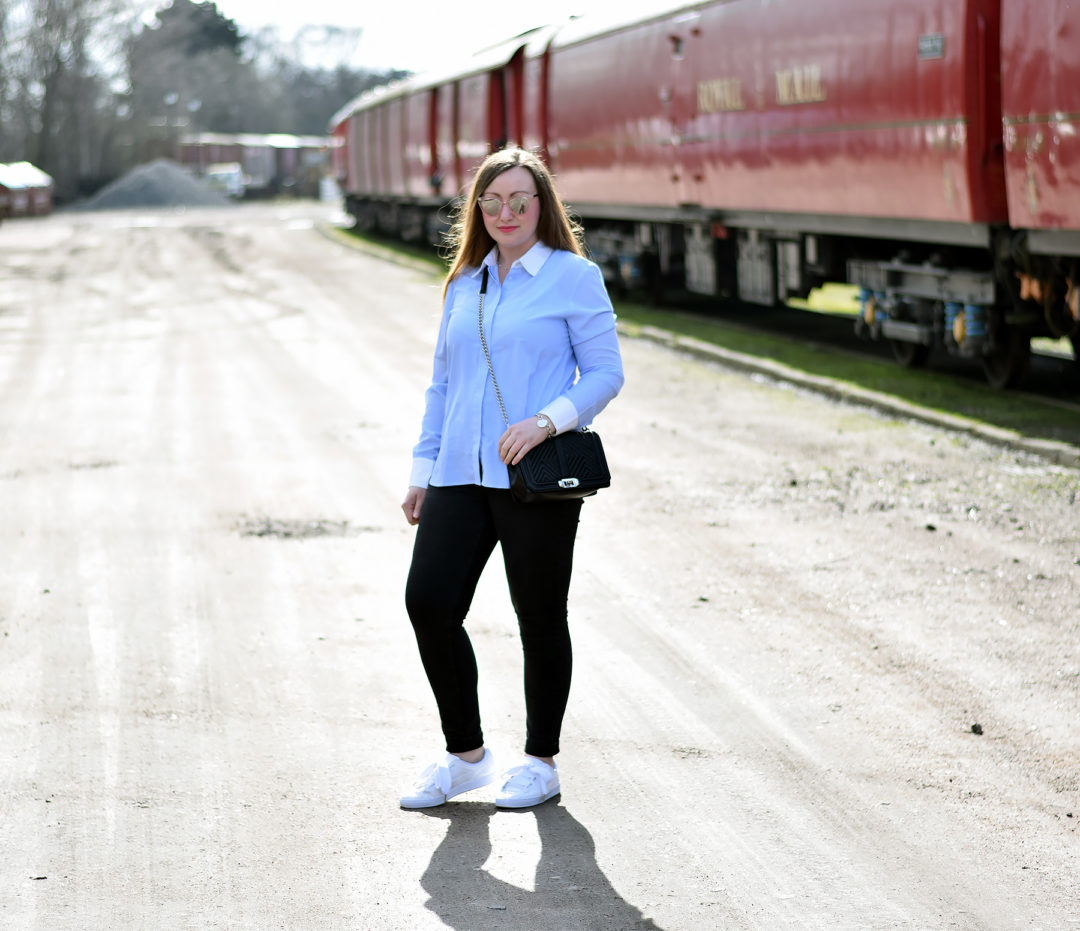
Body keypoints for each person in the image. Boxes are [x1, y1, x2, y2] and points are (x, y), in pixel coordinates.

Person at [399, 147, 624, 809]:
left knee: (539, 617)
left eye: (520, 199)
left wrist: (546, 421)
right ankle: (466, 755)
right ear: (478, 208)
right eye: (492, 200)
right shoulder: (465, 281)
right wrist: (421, 468)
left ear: (541, 205)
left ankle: (541, 761)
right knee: (429, 604)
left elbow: (606, 373)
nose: (506, 212)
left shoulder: (573, 277)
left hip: (534, 477)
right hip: (457, 475)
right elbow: (443, 383)